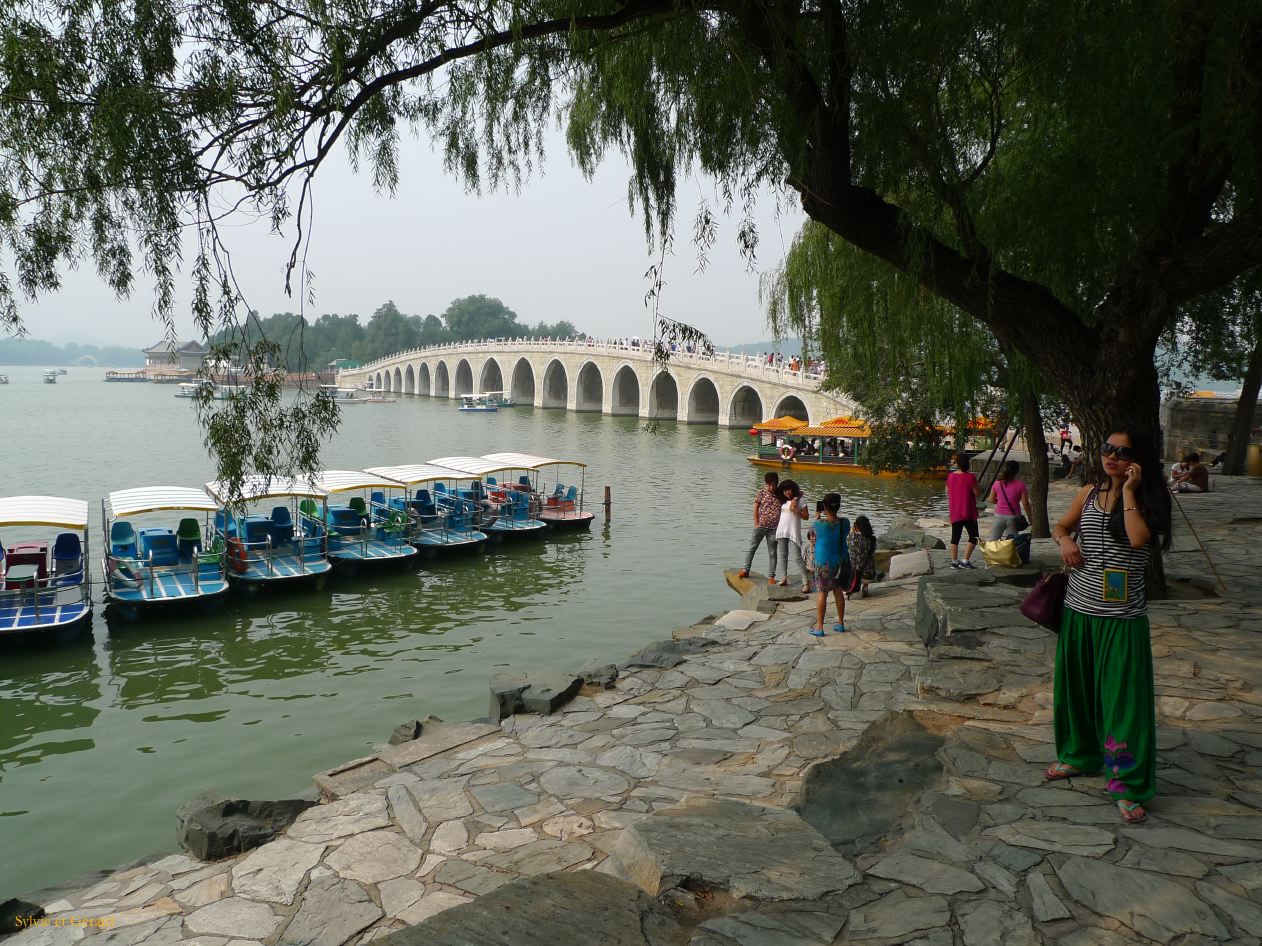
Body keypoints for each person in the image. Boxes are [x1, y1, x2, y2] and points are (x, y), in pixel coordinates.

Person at [1047, 428, 1172, 825]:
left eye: (1123, 452)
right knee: (1078, 692)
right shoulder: (1087, 493)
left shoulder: (1149, 500)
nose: (1111, 456)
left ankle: (1126, 783)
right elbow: (1061, 527)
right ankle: (1078, 755)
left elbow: (1138, 541)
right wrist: (1066, 542)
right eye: (1107, 449)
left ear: (1139, 459)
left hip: (1122, 619)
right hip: (1079, 610)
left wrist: (1130, 492)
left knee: (1123, 704)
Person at [807, 493, 848, 636]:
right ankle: (841, 623)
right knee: (838, 592)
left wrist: (818, 516)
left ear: (824, 507)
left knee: (822, 594)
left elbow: (812, 536)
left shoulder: (818, 524)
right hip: (840, 562)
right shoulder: (845, 523)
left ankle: (820, 627)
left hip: (823, 564)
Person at [738, 472, 780, 579]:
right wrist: (756, 523)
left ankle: (771, 577)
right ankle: (746, 570)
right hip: (760, 526)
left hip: (774, 529)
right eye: (769, 484)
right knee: (752, 548)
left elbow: (796, 493)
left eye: (774, 484)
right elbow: (756, 508)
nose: (772, 487)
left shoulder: (780, 494)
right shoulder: (761, 492)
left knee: (772, 553)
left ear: (777, 483)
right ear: (766, 484)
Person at [772, 479, 810, 590]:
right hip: (782, 530)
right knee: (783, 556)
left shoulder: (801, 500)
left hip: (793, 531)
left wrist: (796, 511)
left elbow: (806, 517)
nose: (787, 492)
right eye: (784, 491)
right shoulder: (783, 501)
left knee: (798, 557)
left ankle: (806, 583)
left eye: (788, 490)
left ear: (793, 489)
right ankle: (783, 579)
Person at [946, 453, 983, 568]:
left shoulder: (950, 476)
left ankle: (954, 561)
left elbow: (947, 491)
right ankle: (965, 560)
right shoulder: (970, 477)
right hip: (968, 511)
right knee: (974, 536)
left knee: (955, 537)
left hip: (955, 511)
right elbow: (977, 493)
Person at [987, 460, 1034, 540]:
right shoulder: (1021, 485)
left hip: (999, 516)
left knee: (993, 542)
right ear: (1017, 471)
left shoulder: (997, 483)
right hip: (1013, 517)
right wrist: (1030, 516)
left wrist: (1001, 502)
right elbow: (1025, 503)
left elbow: (991, 500)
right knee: (1011, 543)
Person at [846, 515, 877, 599]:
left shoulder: (851, 537)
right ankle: (865, 587)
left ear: (856, 526)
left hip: (854, 575)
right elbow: (872, 551)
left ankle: (853, 588)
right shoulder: (872, 539)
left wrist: (852, 531)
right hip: (869, 575)